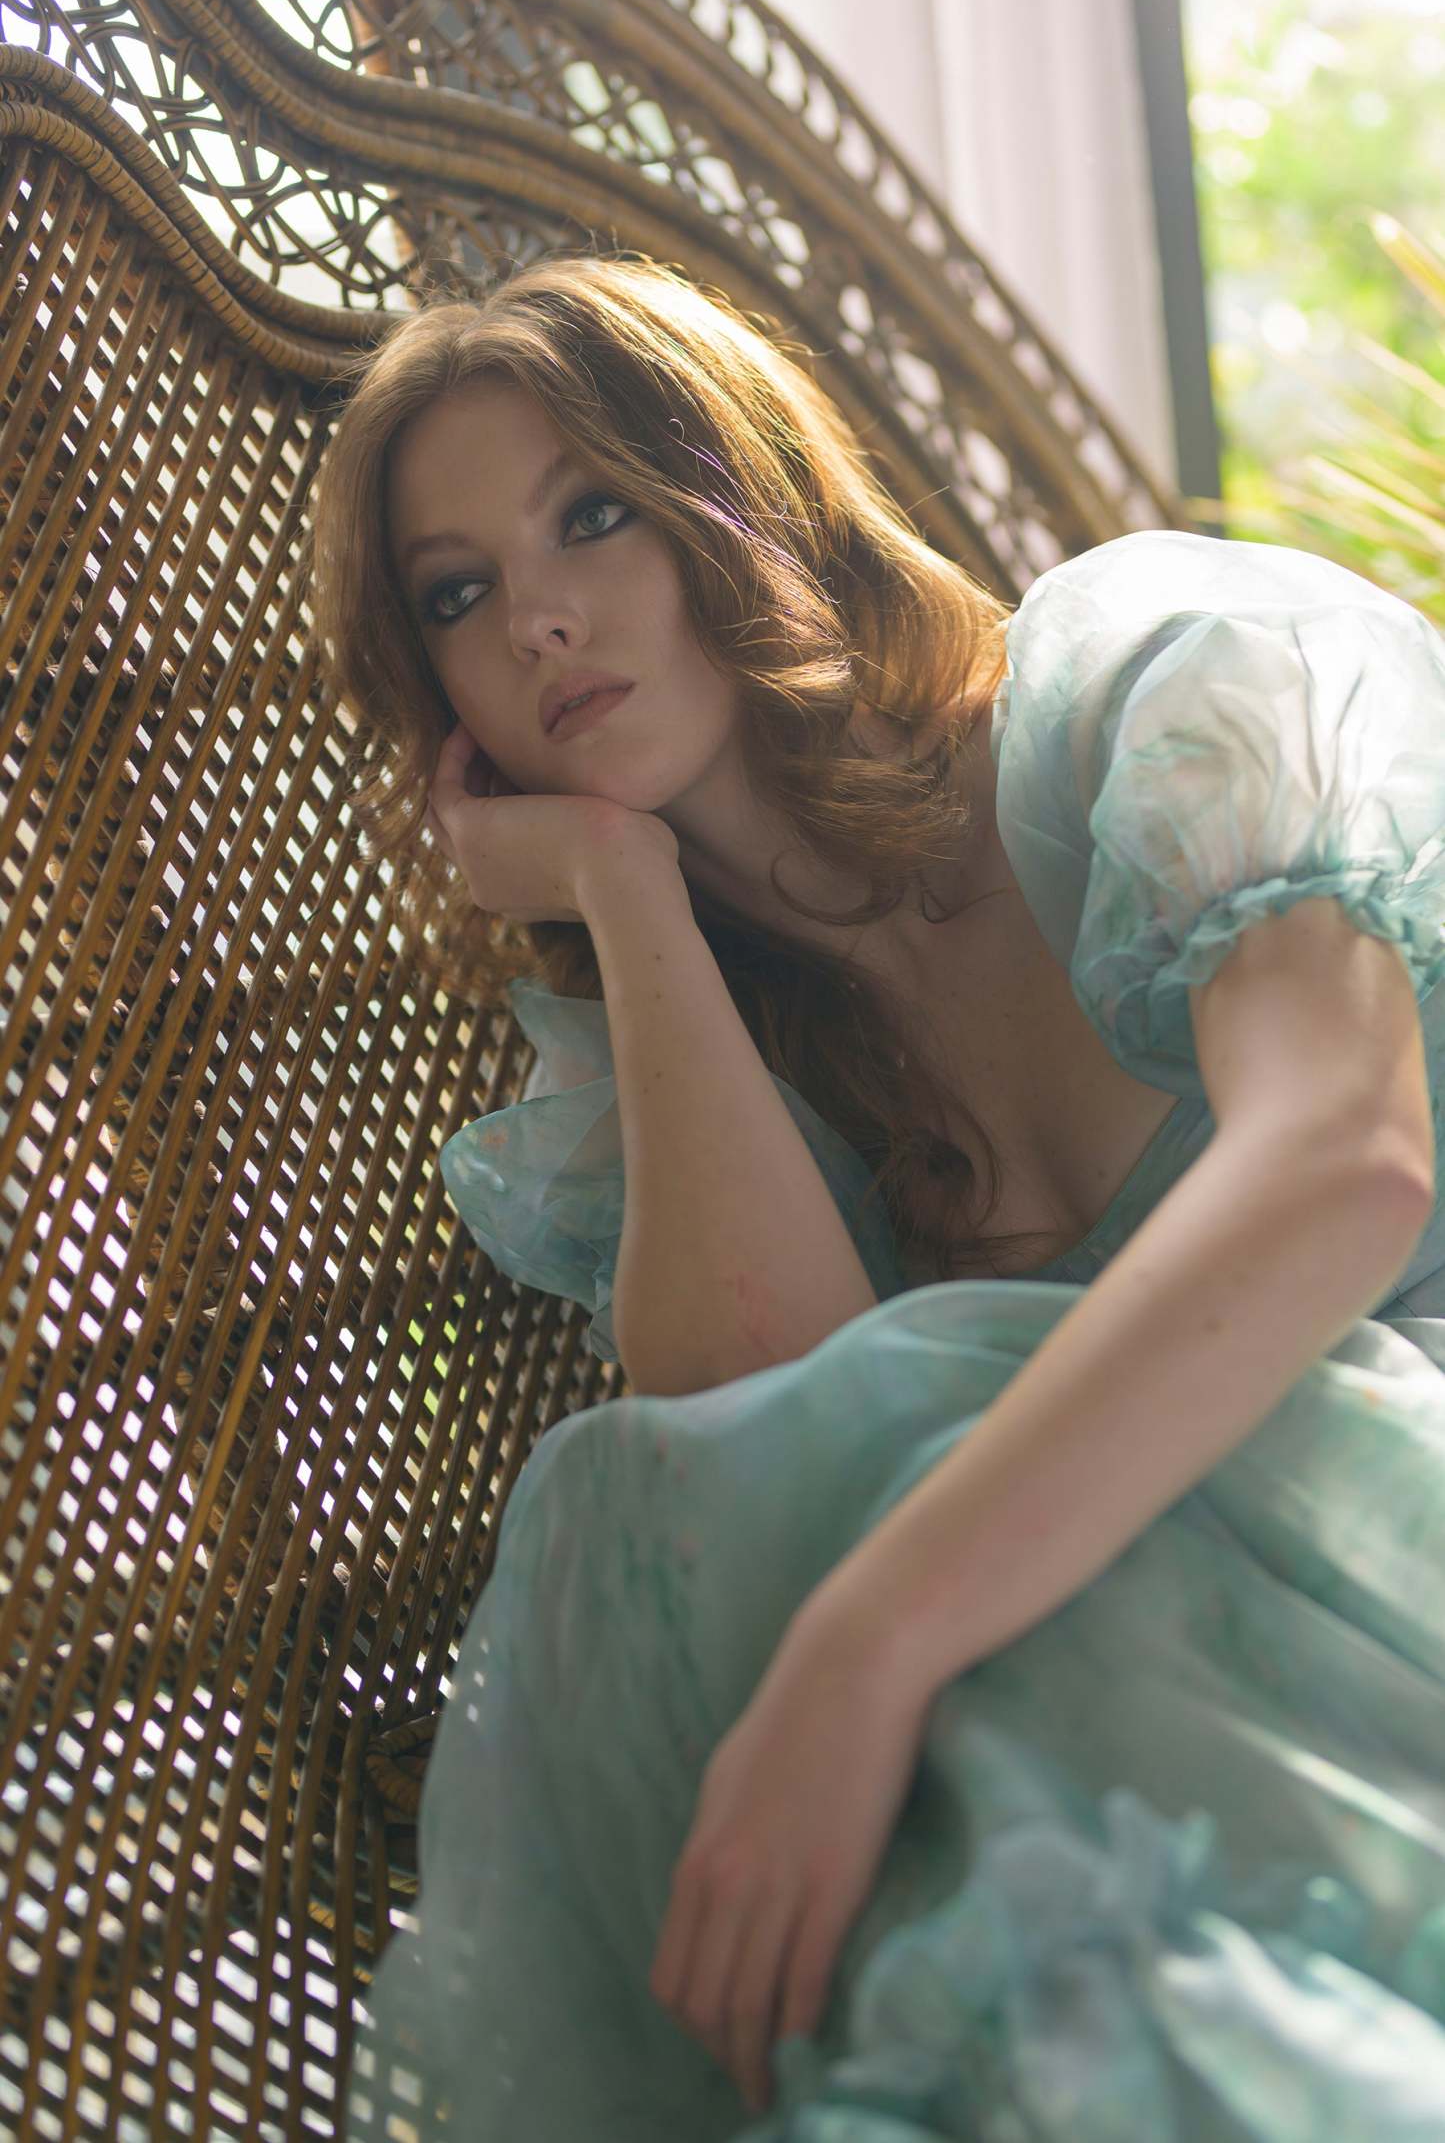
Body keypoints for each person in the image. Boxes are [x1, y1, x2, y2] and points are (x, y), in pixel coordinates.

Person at [307, 249, 1445, 2141]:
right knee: (622, 1501)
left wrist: (866, 1649)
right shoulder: (688, 1072)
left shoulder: (1166, 696)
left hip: (1388, 1574)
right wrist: (628, 896)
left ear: (739, 492)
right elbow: (751, 1440)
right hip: (1115, 1730)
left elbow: (1346, 1166)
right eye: (457, 593)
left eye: (590, 513)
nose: (539, 619)